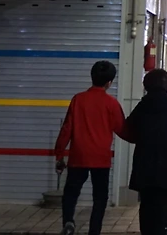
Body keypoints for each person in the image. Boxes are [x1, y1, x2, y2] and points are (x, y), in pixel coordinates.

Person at [54, 61, 129, 235]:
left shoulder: (78, 99)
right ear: (109, 82)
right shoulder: (111, 103)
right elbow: (122, 129)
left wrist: (59, 154)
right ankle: (94, 231)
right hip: (101, 158)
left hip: (78, 156)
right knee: (100, 198)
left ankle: (68, 222)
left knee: (71, 193)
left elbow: (67, 128)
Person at [125, 68, 167, 235]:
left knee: (146, 205)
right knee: (162, 206)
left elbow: (128, 127)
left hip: (145, 163)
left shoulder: (143, 105)